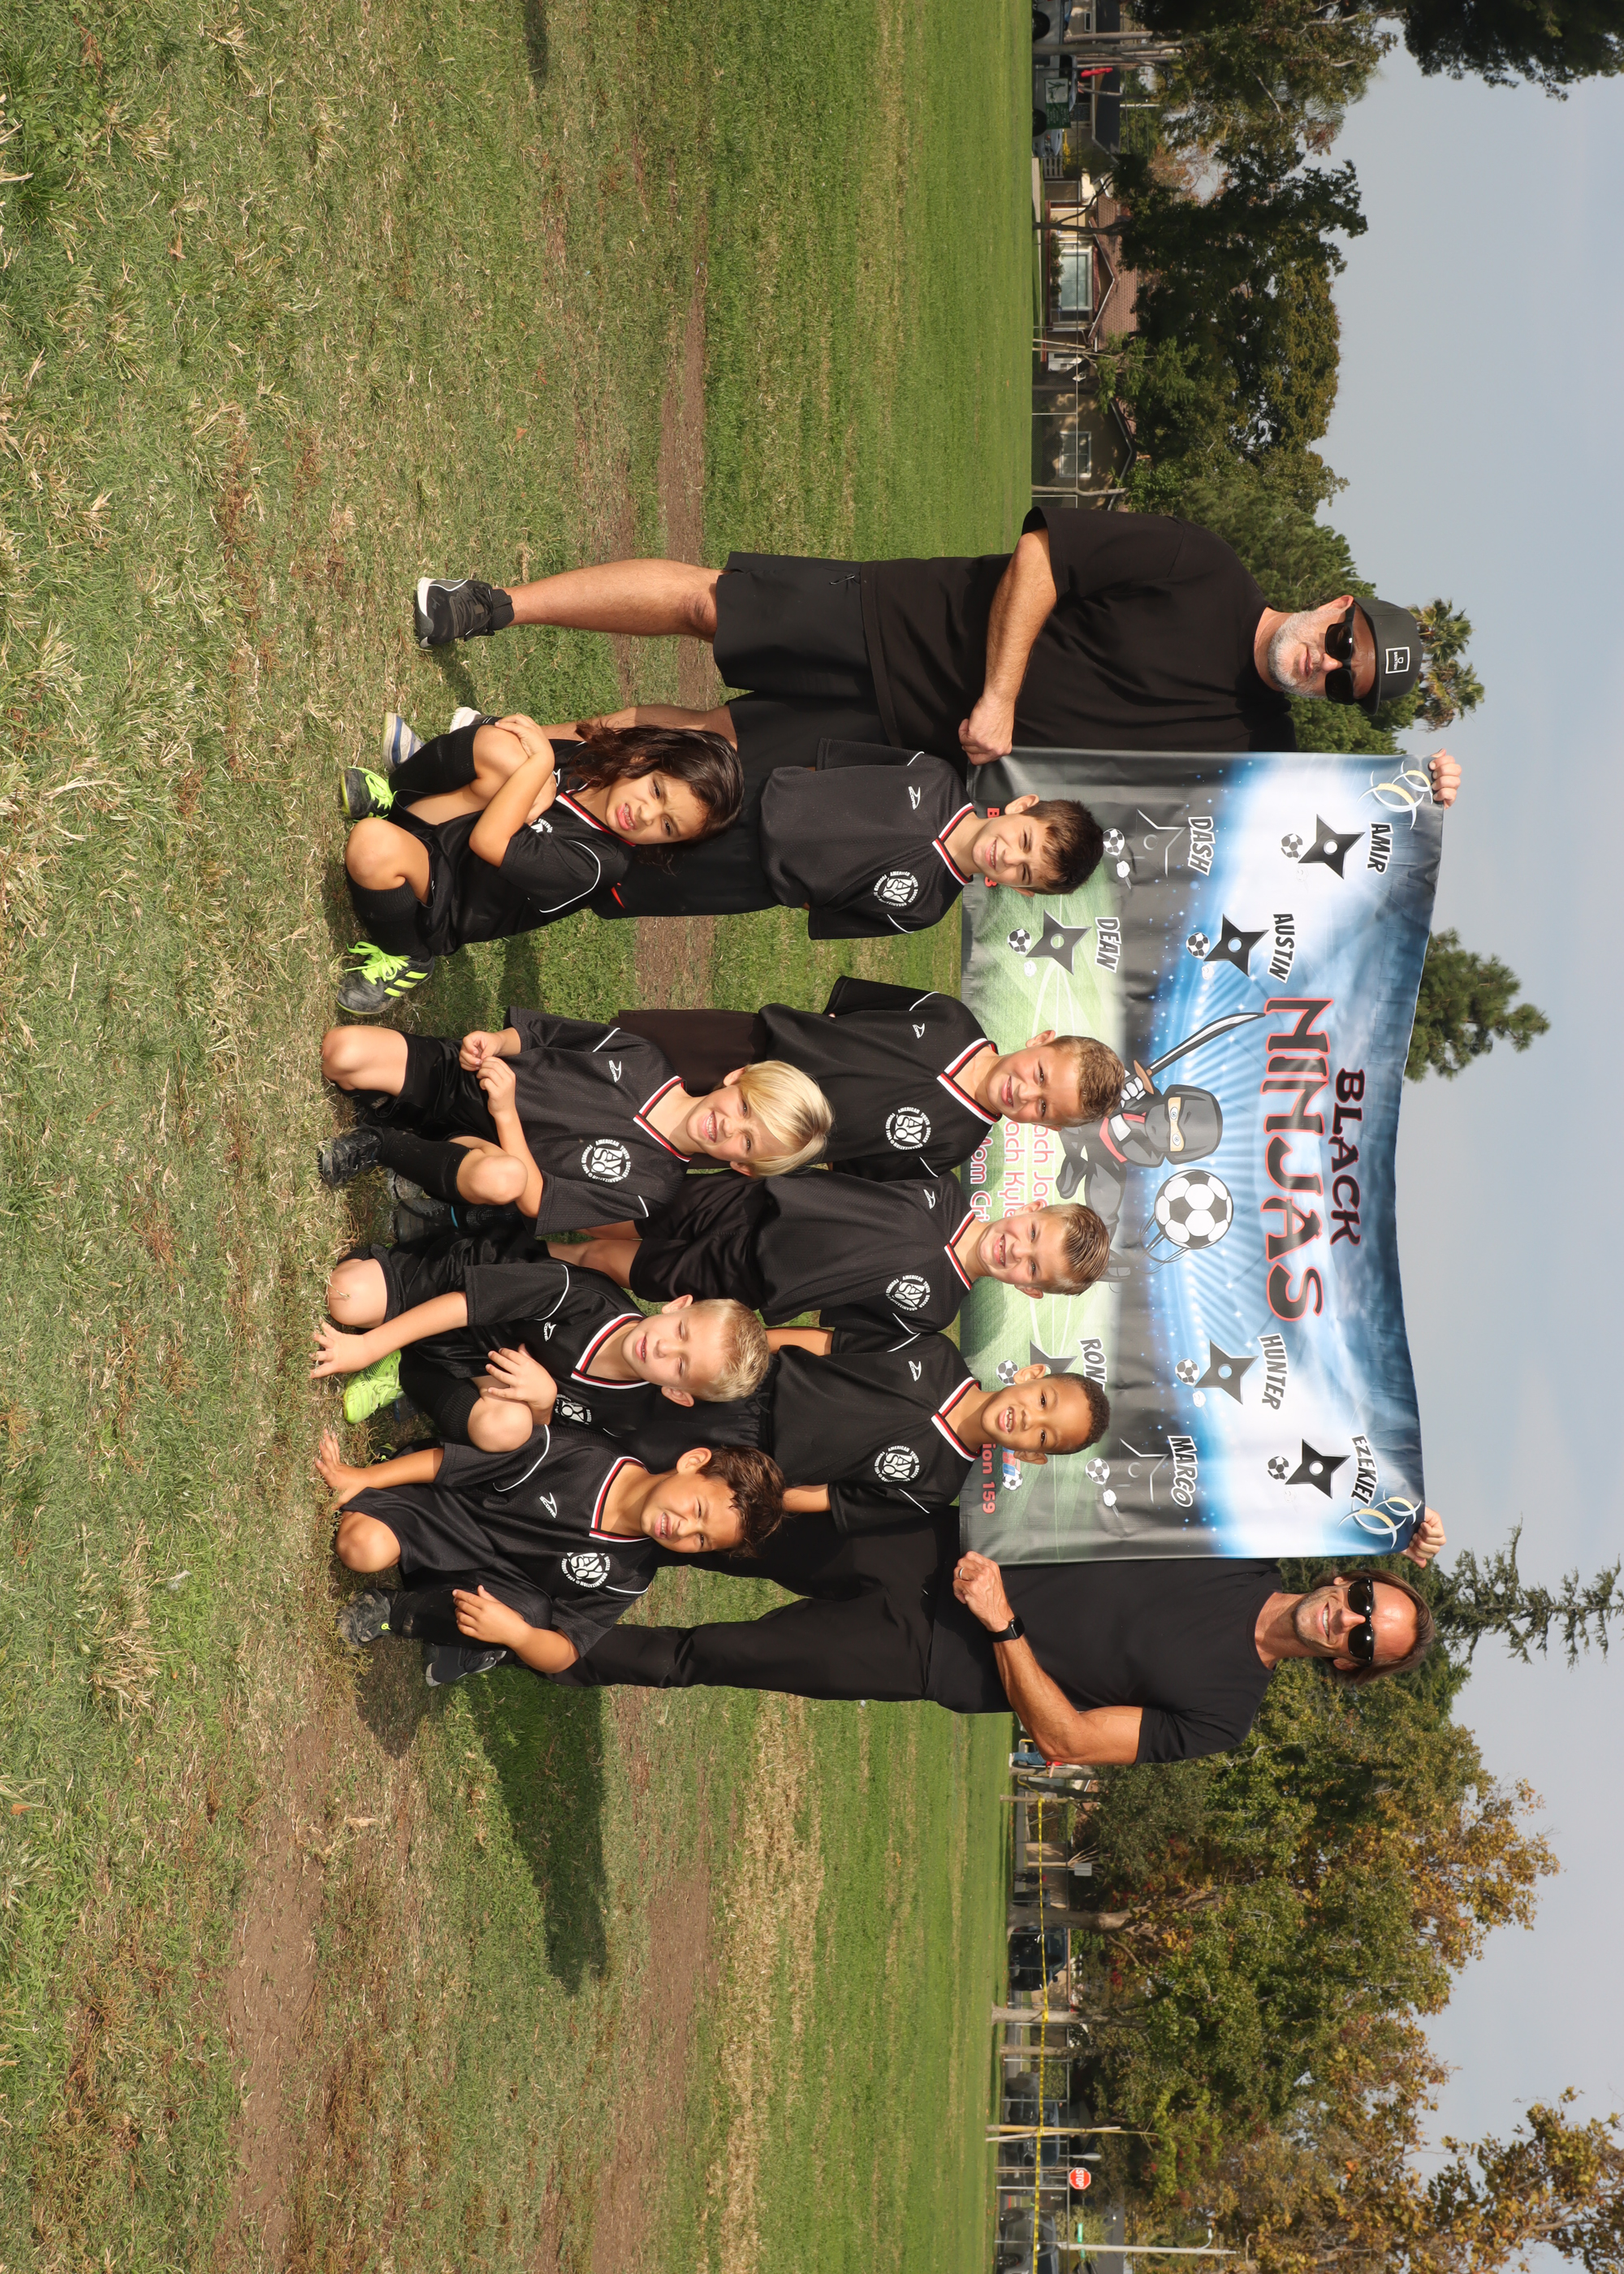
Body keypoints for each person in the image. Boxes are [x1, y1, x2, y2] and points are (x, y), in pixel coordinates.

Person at [406, 534, 1464, 798]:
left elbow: (1309, 838)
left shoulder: (1257, 744)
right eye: (1341, 642)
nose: (1323, 664)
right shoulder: (1206, 570)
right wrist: (1000, 692)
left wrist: (1417, 793)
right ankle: (493, 606)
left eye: (1342, 682)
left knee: (700, 746)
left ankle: (488, 749)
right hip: (910, 623)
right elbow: (1044, 558)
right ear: (1336, 603)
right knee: (706, 604)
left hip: (916, 747)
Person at [556, 1509, 1452, 1763]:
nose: (1350, 1619)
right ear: (1347, 1578)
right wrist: (1389, 1519)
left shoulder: (1224, 1714)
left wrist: (1002, 1625)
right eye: (1363, 1599)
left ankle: (537, 1643)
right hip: (936, 1540)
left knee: (709, 1654)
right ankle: (557, 1518)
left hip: (928, 1652)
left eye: (1363, 1641)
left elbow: (1066, 1739)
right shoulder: (1237, 1544)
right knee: (727, 1525)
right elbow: (1268, 1450)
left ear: (1346, 1666)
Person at [487, 1321, 1109, 1532]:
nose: (1030, 1419)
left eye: (1044, 1436)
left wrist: (748, 1493)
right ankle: (497, 1361)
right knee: (617, 1389)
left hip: (740, 1461)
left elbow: (825, 1498)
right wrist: (740, 1356)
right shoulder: (935, 1353)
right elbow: (824, 1342)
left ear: (1032, 1456)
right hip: (747, 1386)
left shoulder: (935, 1486)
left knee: (618, 1453)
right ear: (1032, 1374)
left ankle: (500, 1448)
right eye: (1045, 1399)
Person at [333, 709, 742, 1014]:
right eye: (656, 791)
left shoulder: (599, 864)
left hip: (447, 897)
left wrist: (541, 767)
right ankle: (395, 797)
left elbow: (488, 841)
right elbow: (508, 741)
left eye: (668, 827)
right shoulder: (593, 762)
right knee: (498, 748)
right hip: (447, 831)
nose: (646, 815)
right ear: (643, 759)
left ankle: (408, 955)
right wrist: (541, 773)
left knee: (371, 845)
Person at [314, 1423, 784, 1686]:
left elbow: (563, 1653)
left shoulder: (632, 1574)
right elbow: (457, 1463)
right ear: (693, 1463)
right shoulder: (587, 1457)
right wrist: (364, 1477)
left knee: (532, 1619)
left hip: (486, 1585)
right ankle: (390, 1493)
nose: (683, 1529)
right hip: (447, 1509)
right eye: (698, 1510)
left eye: (701, 1540)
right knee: (359, 1548)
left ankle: (395, 1611)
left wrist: (517, 1635)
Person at [315, 1008, 831, 1228]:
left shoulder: (654, 1187)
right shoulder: (644, 1058)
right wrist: (495, 1043)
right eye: (745, 1109)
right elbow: (541, 1035)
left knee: (504, 1179)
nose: (730, 1127)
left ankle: (383, 1143)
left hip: (481, 1151)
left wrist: (505, 1113)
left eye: (748, 1142)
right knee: (341, 1052)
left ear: (742, 1167)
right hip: (464, 1080)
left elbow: (536, 1200)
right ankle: (400, 1110)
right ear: (737, 1077)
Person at [611, 978, 1124, 1181]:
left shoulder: (950, 1147)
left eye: (1043, 1106)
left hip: (750, 1135)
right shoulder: (949, 1016)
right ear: (1040, 1040)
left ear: (1047, 1128)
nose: (1025, 1092)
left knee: (637, 1142)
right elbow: (851, 1009)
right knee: (618, 1053)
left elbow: (848, 1167)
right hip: (746, 1048)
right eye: (1040, 1074)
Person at [309, 1230, 768, 1448]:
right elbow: (466, 1304)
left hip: (476, 1364)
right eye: (681, 1332)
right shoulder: (585, 1298)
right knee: (345, 1298)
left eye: (681, 1366)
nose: (665, 1348)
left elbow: (551, 1440)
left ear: (677, 1393)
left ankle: (408, 1369)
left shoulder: (630, 1414)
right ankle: (390, 1336)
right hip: (460, 1290)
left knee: (508, 1427)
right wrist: (366, 1347)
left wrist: (544, 1402)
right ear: (677, 1306)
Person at [563, 1174, 1112, 1335]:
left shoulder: (933, 1311)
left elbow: (837, 1324)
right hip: (751, 1203)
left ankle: (548, 1257)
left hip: (743, 1279)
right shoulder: (941, 1187)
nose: (1016, 1249)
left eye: (1032, 1266)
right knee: (633, 1216)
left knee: (615, 1263)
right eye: (1032, 1232)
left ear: (1029, 1289)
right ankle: (542, 1210)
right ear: (1032, 1207)